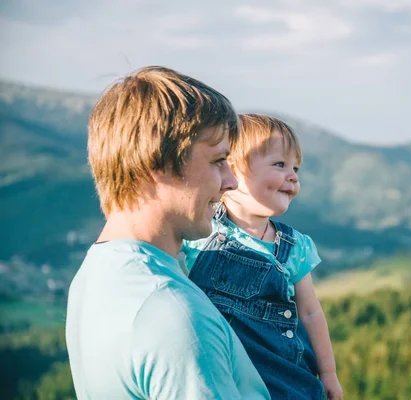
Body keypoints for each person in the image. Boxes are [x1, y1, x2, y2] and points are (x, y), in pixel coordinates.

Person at [65, 66, 270, 399]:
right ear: (156, 164)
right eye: (218, 160)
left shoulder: (94, 276)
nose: (231, 181)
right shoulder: (174, 315)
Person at [182, 114, 343, 400]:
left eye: (295, 167)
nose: (293, 175)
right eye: (279, 164)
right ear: (233, 170)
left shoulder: (294, 247)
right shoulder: (201, 232)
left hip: (286, 380)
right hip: (222, 377)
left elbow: (310, 312)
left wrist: (328, 373)